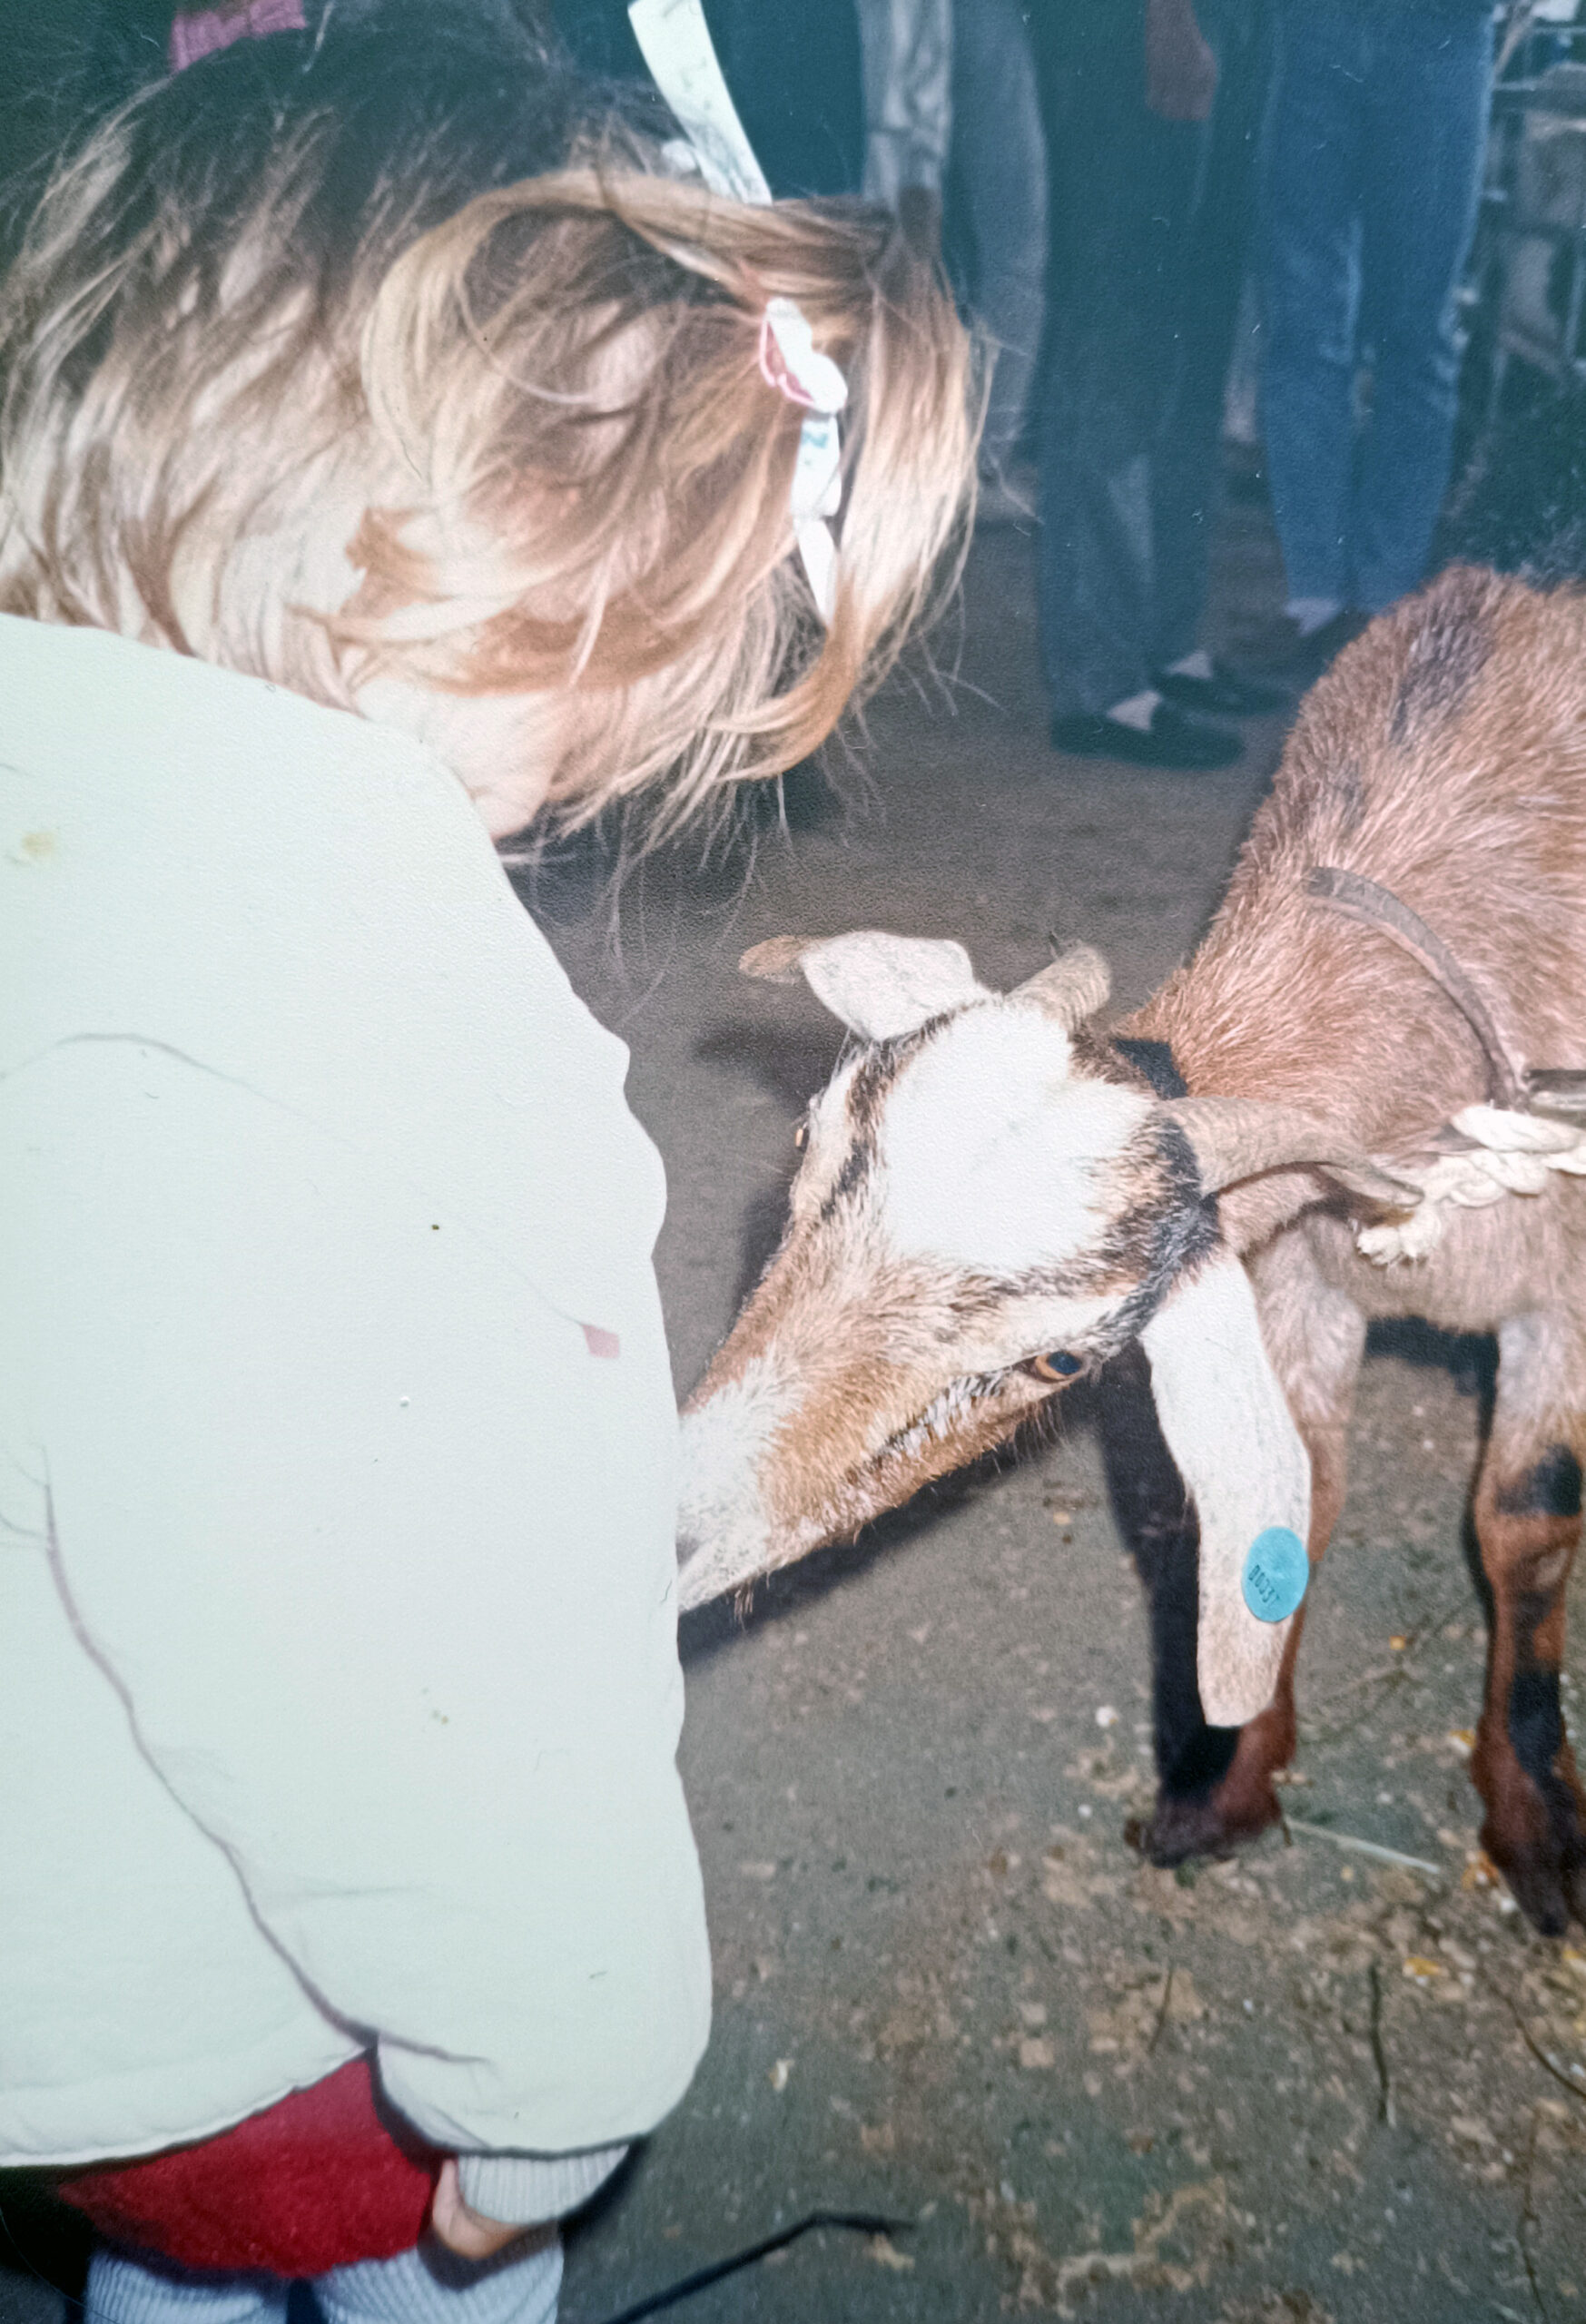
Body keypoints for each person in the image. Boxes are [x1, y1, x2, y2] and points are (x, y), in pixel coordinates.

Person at [0, 6, 976, 2322]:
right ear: (500, 547)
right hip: (261, 2057)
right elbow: (429, 1683)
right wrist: (555, 2085)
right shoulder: (382, 1031)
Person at [1035, 0, 1282, 770]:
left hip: (1233, 24)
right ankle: (1100, 683)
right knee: (1120, 338)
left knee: (1191, 347)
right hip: (1134, 26)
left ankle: (1162, 648)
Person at [1254, 0, 1497, 681]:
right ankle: (1315, 597)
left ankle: (1384, 601)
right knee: (1304, 323)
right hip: (1314, 28)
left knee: (1416, 331)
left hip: (1440, 31)